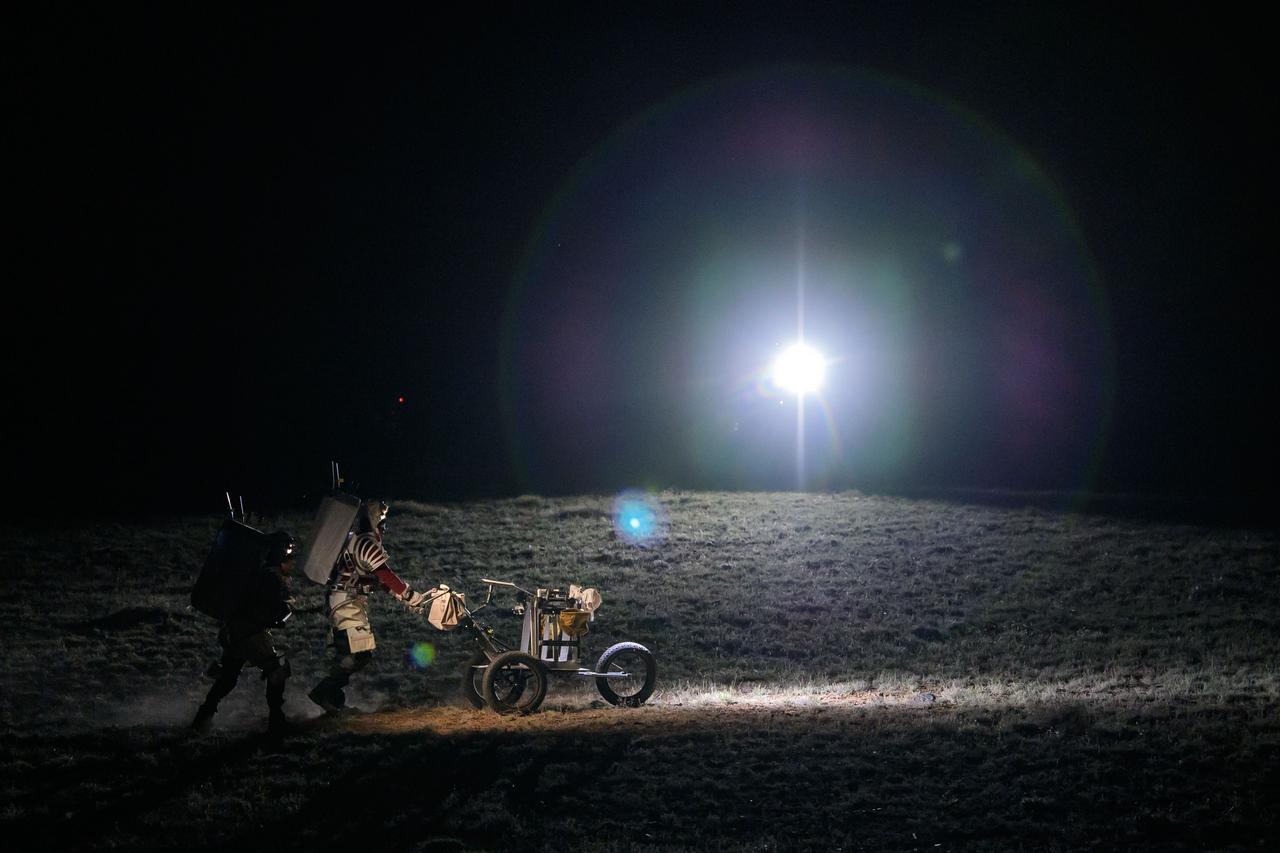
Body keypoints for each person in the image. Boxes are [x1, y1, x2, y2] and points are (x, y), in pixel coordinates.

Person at [307, 499, 435, 714]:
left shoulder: (355, 540)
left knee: (350, 653)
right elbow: (384, 573)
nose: (384, 527)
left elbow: (377, 578)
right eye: (383, 522)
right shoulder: (366, 542)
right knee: (358, 654)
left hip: (346, 600)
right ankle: (322, 694)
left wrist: (402, 597)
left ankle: (334, 703)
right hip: (346, 603)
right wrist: (409, 595)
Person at [192, 530, 296, 736]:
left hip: (234, 629)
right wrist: (283, 610)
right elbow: (266, 609)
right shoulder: (270, 577)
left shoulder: (259, 572)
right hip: (249, 632)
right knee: (276, 671)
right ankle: (277, 721)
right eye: (288, 553)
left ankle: (202, 718)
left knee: (228, 677)